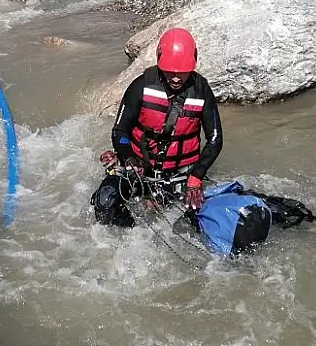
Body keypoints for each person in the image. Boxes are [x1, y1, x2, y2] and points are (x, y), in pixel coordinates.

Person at [90, 27, 223, 227]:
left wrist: (197, 176)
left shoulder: (202, 90)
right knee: (105, 202)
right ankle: (128, 238)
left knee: (183, 220)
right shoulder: (140, 87)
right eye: (171, 72)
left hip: (179, 175)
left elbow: (215, 139)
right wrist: (128, 157)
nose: (177, 78)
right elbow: (120, 132)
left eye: (183, 72)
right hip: (139, 170)